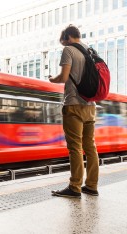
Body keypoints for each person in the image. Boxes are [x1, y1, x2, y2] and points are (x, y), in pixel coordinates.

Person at [48, 24, 99, 198]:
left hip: (73, 105)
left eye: (63, 42)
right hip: (90, 106)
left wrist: (51, 79)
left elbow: (63, 77)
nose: (63, 45)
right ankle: (91, 186)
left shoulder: (69, 50)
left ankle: (75, 187)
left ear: (68, 37)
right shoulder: (90, 50)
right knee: (90, 147)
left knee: (75, 148)